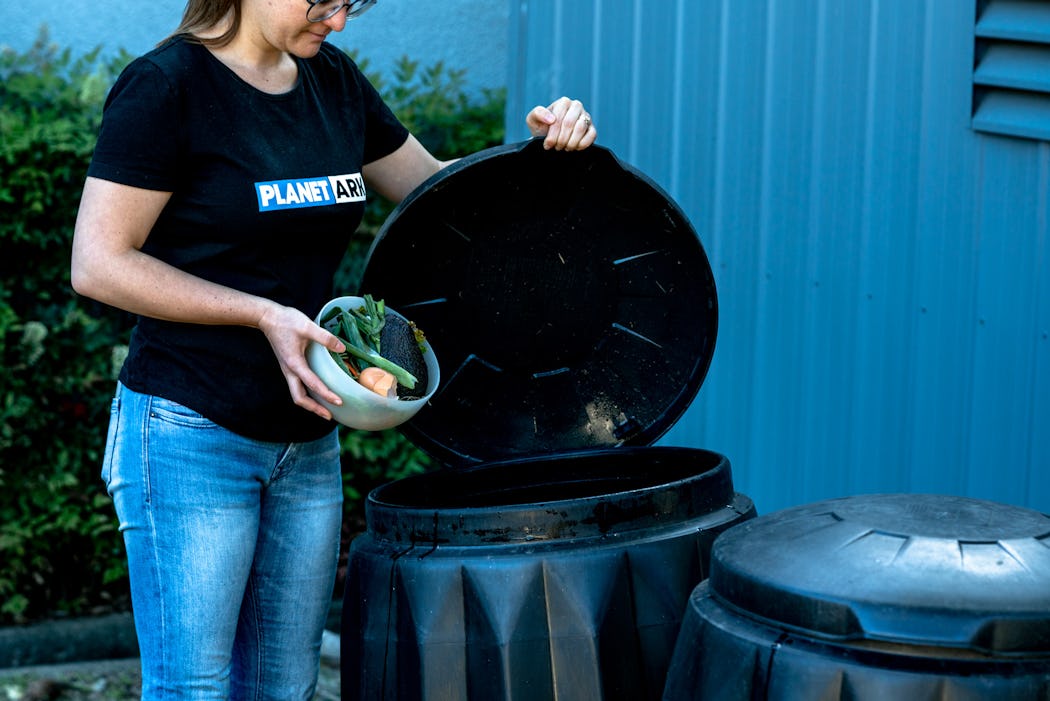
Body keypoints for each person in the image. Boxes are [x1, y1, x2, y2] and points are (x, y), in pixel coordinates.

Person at [70, 0, 596, 698]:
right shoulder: (168, 87)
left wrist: (538, 151)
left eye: (351, 2)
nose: (339, 20)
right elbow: (99, 263)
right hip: (191, 431)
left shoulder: (333, 81)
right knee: (193, 690)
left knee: (285, 689)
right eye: (322, 1)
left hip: (308, 437)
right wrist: (263, 315)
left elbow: (439, 195)